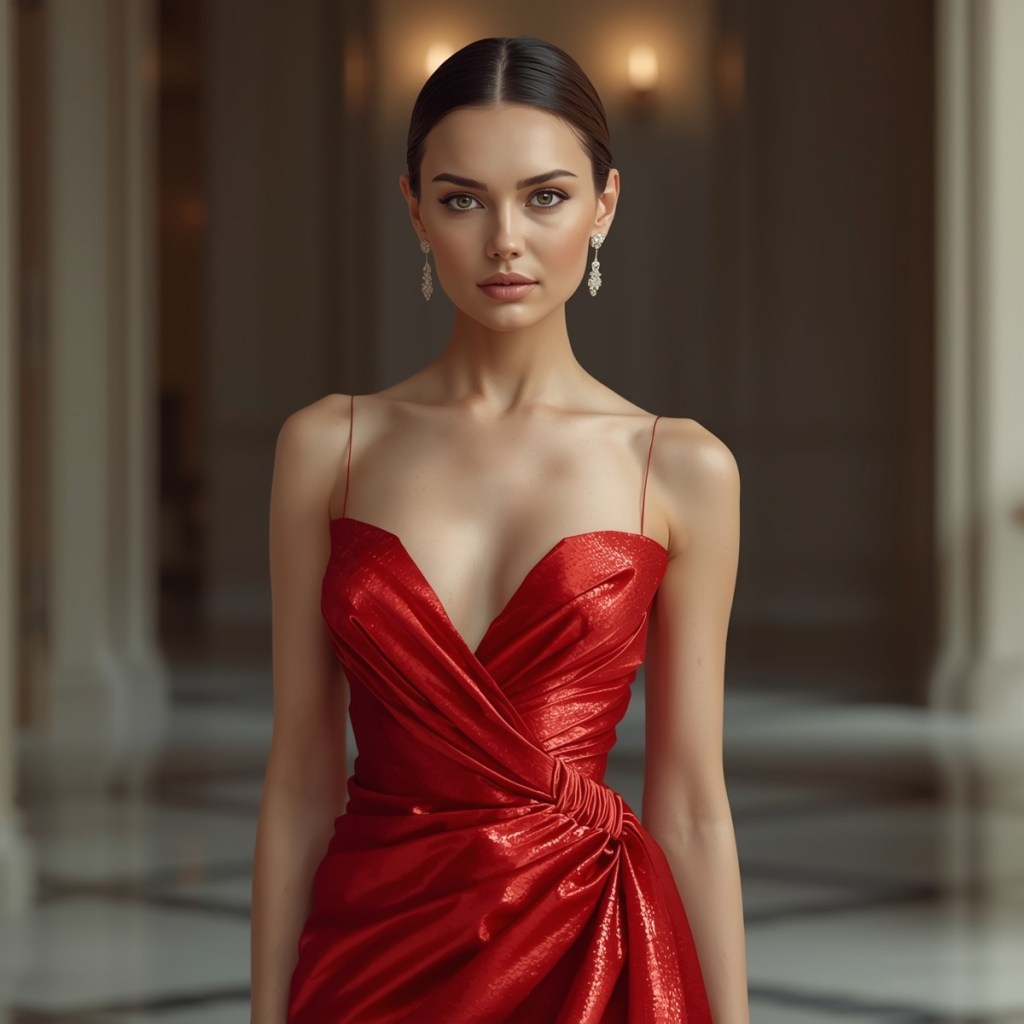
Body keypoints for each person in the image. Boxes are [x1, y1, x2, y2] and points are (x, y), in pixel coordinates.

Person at [251, 36, 748, 1023]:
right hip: (371, 954)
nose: (504, 240)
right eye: (463, 198)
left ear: (604, 206)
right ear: (414, 209)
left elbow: (690, 799)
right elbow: (301, 776)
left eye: (546, 196)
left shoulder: (681, 467)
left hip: (590, 955)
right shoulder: (327, 446)